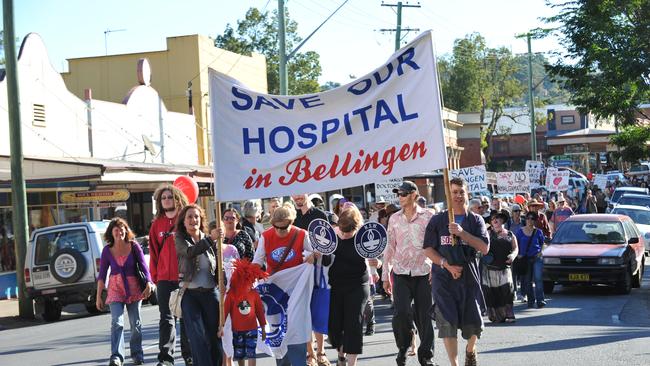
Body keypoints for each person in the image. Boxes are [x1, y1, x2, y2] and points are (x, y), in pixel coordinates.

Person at [423, 177, 490, 366]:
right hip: (443, 278)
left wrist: (462, 233)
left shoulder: (475, 220)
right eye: (454, 192)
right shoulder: (437, 220)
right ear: (448, 194)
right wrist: (446, 265)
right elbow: (428, 249)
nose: (458, 195)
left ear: (467, 194)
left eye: (461, 192)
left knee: (474, 324)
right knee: (447, 323)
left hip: (468, 277)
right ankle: (455, 364)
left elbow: (484, 248)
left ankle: (470, 350)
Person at [252, 203, 319, 366]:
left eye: (284, 227)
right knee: (278, 332)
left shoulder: (302, 234)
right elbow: (257, 261)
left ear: (292, 221)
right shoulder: (266, 236)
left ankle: (299, 362)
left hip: (297, 290)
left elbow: (317, 254)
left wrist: (315, 256)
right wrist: (248, 277)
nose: (279, 231)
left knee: (296, 329)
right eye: (276, 227)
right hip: (275, 292)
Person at [382, 181, 436, 366]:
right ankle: (403, 348)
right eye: (398, 194)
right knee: (402, 313)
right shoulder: (394, 218)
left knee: (425, 316)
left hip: (424, 272)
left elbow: (435, 244)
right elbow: (389, 247)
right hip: (400, 271)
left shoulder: (429, 216)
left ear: (414, 195)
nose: (400, 197)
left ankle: (426, 356)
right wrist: (384, 275)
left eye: (403, 193)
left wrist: (436, 266)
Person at [97, 218, 154, 366]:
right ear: (111, 232)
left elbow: (143, 266)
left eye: (122, 228)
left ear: (126, 230)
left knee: (135, 324)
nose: (119, 231)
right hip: (115, 289)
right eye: (116, 229)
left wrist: (148, 282)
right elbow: (102, 275)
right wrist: (98, 296)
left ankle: (137, 354)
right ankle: (116, 356)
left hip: (134, 288)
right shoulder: (107, 251)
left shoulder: (134, 246)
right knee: (117, 322)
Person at [148, 184, 191, 366]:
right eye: (163, 198)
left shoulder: (186, 219)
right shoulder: (156, 224)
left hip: (185, 277)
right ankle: (166, 358)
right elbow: (153, 251)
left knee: (187, 317)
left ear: (178, 199)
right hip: (164, 278)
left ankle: (189, 355)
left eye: (170, 197)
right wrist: (155, 277)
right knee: (166, 318)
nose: (166, 200)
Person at [322, 206, 371, 366]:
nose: (344, 234)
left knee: (353, 325)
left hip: (358, 285)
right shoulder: (333, 236)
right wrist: (321, 253)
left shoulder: (364, 238)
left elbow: (374, 258)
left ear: (356, 227)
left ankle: (351, 363)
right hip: (336, 285)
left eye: (348, 231)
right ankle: (341, 354)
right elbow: (326, 261)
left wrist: (376, 264)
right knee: (334, 325)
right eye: (342, 230)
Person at [175, 204, 223, 366]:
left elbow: (218, 264)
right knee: (197, 337)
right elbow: (190, 252)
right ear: (183, 221)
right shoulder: (180, 239)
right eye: (189, 216)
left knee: (215, 336)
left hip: (210, 292)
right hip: (190, 294)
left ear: (201, 219)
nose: (193, 220)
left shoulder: (209, 237)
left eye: (196, 216)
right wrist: (211, 239)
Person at [291, 193, 330, 366]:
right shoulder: (291, 216)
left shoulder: (321, 215)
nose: (298, 197)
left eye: (301, 193)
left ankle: (321, 351)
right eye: (295, 194)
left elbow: (328, 243)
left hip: (319, 270)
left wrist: (317, 253)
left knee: (318, 310)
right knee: (303, 311)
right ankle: (310, 353)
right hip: (298, 271)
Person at [221, 259, 268, 366]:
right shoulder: (232, 294)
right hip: (238, 330)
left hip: (250, 329)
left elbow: (260, 312)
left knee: (248, 354)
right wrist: (221, 326)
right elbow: (225, 312)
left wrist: (263, 328)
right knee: (241, 354)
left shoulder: (253, 293)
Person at [482, 210, 518, 323]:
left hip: (505, 268)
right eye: (493, 219)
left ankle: (509, 313)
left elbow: (516, 248)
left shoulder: (510, 234)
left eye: (497, 218)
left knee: (508, 290)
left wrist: (512, 255)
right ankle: (496, 315)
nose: (495, 220)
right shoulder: (487, 234)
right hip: (490, 269)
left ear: (502, 220)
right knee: (492, 293)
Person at [515, 212, 547, 309]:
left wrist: (541, 252)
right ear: (526, 219)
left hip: (537, 258)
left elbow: (542, 244)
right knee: (527, 281)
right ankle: (530, 300)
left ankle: (540, 300)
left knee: (538, 279)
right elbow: (515, 244)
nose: (530, 220)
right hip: (525, 259)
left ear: (535, 220)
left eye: (532, 218)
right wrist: (518, 254)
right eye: (528, 218)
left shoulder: (538, 232)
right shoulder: (520, 232)